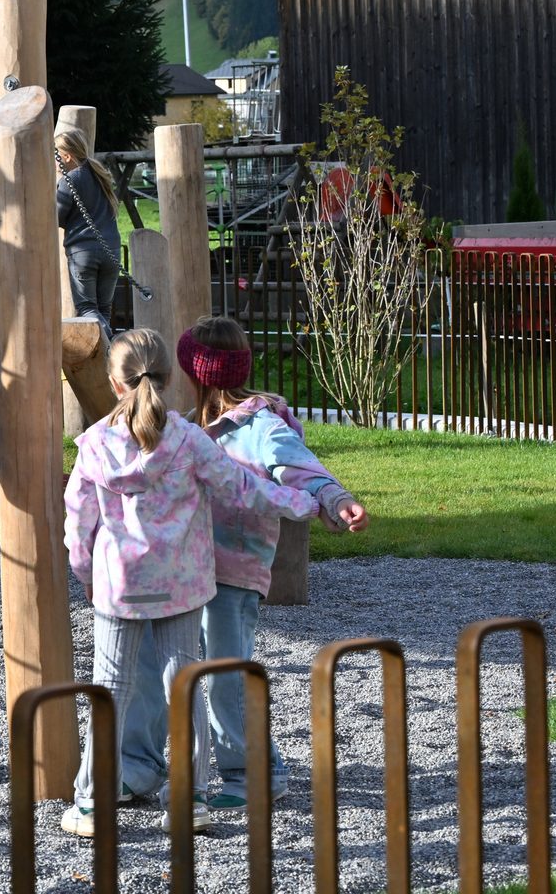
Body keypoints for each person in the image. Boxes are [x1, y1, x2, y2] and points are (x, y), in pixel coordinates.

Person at [60, 328, 320, 839]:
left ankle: (91, 802)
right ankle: (191, 798)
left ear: (115, 384)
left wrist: (87, 575)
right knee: (186, 687)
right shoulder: (188, 439)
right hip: (183, 584)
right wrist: (305, 503)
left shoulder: (94, 446)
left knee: (110, 690)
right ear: (168, 378)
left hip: (120, 589)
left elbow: (77, 521)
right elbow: (242, 488)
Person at [120, 315, 369, 811]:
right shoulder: (190, 428)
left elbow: (298, 466)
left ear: (194, 371)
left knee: (224, 671)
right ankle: (140, 766)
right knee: (158, 661)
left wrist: (335, 498)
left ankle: (252, 770)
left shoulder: (259, 425)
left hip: (233, 572)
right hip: (185, 570)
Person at [55, 127, 121, 335]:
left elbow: (55, 216)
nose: (54, 162)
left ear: (66, 156)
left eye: (55, 156)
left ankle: (110, 345)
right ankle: (108, 356)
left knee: (87, 310)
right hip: (111, 251)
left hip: (83, 252)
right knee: (104, 310)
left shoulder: (69, 180)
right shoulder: (101, 175)